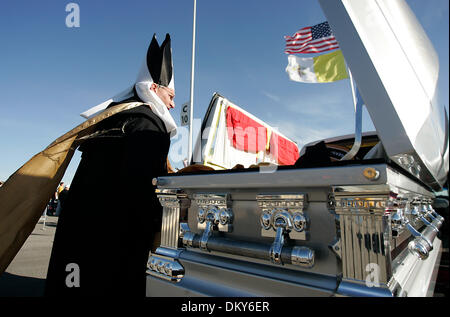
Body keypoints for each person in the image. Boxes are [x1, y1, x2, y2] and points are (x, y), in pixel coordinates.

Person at [45, 34, 177, 296]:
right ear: (153, 89)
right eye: (170, 95)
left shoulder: (112, 120)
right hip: (114, 243)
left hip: (80, 236)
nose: (173, 104)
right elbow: (141, 195)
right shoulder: (150, 124)